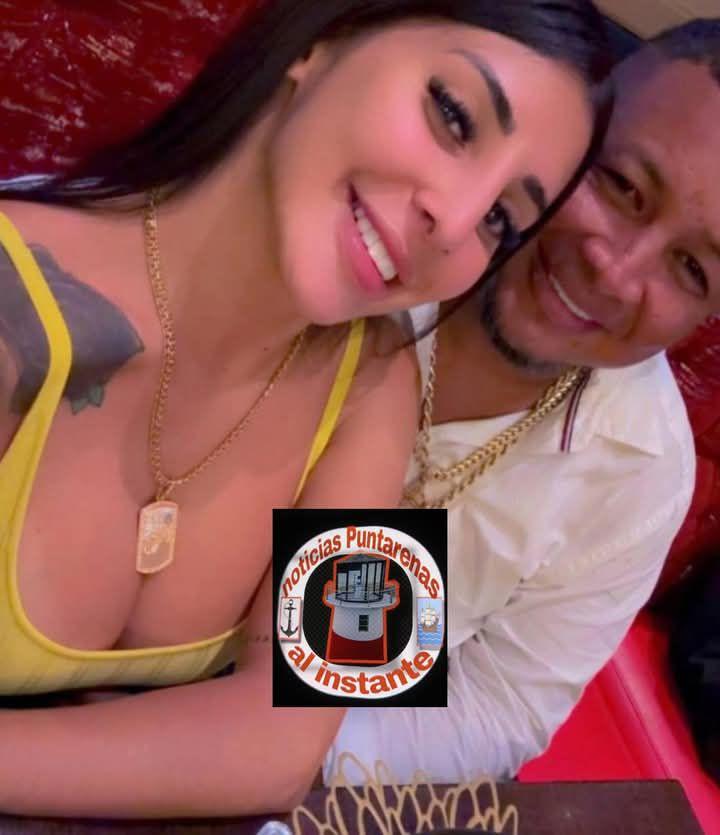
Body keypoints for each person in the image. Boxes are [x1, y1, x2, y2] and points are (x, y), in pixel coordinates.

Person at [0, 0, 610, 818]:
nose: (456, 220)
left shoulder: (383, 386)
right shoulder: (16, 308)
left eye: (502, 219)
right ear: (323, 41)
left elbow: (292, 746)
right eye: (453, 116)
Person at [326, 18, 720, 786]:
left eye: (691, 270)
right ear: (575, 119)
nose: (615, 272)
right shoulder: (374, 234)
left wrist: (270, 748)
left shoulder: (640, 471)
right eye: (622, 186)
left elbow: (499, 706)